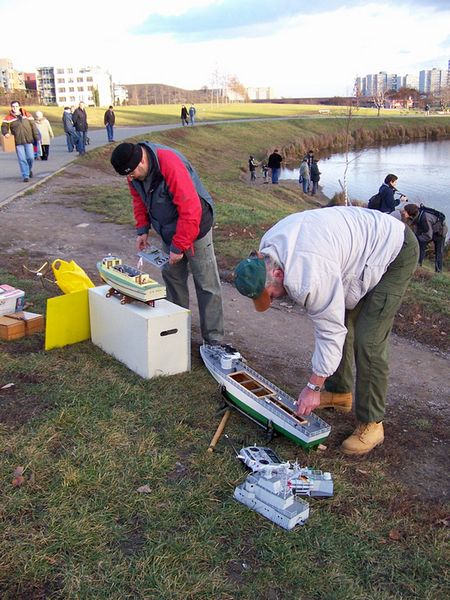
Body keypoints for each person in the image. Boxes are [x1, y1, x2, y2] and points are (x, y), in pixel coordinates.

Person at [233, 207, 418, 456]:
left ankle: (372, 423)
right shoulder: (269, 248)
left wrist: (313, 387)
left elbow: (329, 332)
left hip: (394, 250)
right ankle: (340, 392)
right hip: (356, 252)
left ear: (277, 273)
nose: (273, 299)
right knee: (341, 318)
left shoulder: (308, 276)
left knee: (369, 339)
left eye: (271, 294)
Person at [110, 142, 224, 345]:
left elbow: (191, 209)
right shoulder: (133, 173)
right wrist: (142, 229)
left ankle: (214, 340)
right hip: (169, 229)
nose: (131, 178)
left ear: (142, 161)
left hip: (197, 228)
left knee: (206, 284)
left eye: (133, 173)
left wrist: (179, 246)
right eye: (128, 175)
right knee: (173, 279)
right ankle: (177, 330)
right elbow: (139, 199)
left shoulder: (170, 164)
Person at [1, 100, 39, 182]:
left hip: (28, 140)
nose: (15, 108)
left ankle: (28, 170)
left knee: (31, 157)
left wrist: (36, 137)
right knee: (22, 159)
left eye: (16, 106)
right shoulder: (8, 117)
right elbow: (3, 127)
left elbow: (33, 126)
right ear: (11, 107)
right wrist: (5, 133)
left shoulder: (27, 115)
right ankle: (25, 175)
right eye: (13, 106)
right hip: (18, 142)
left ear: (19, 107)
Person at [404, 204, 447, 272]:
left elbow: (428, 236)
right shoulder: (416, 215)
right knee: (420, 245)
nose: (403, 212)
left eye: (405, 211)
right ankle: (418, 264)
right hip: (431, 230)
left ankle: (438, 271)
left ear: (410, 212)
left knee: (438, 252)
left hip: (440, 232)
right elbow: (416, 229)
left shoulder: (424, 218)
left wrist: (417, 239)